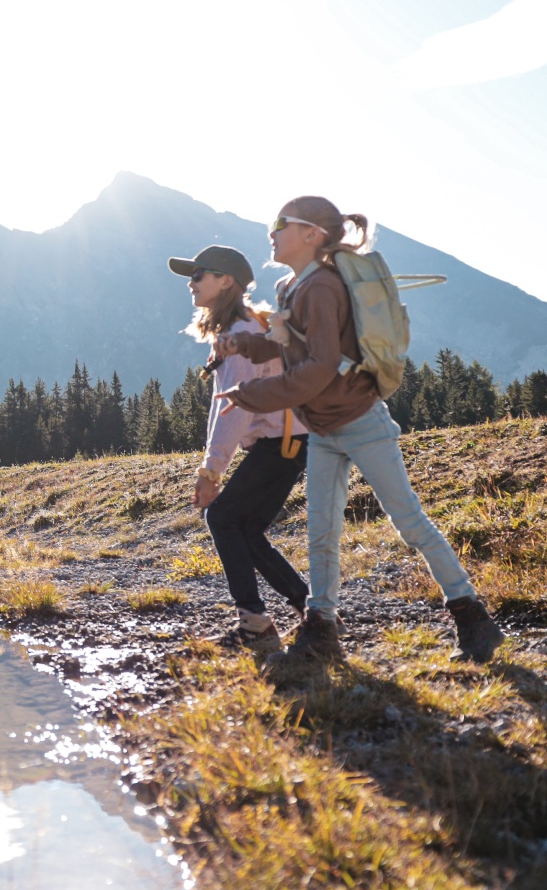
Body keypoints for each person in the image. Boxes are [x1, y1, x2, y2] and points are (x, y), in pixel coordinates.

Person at [213, 196, 504, 663]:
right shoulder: (292, 286)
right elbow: (284, 344)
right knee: (320, 532)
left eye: (280, 223)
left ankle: (472, 616)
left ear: (311, 234)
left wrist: (251, 396)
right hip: (323, 428)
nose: (272, 230)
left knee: (409, 522)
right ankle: (321, 628)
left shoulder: (321, 288)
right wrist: (242, 344)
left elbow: (320, 368)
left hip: (361, 423)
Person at [169, 244, 310, 654]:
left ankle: (255, 623)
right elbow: (225, 406)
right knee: (244, 528)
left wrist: (211, 472)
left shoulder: (242, 333)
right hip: (285, 440)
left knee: (224, 518)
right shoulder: (240, 328)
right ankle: (308, 608)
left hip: (280, 442)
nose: (191, 284)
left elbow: (236, 410)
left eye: (199, 275)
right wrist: (209, 466)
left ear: (225, 281)